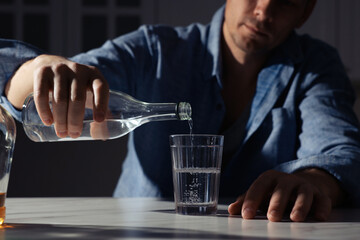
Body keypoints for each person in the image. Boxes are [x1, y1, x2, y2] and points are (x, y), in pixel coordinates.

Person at [1, 0, 360, 222]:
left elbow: (341, 150)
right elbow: (51, 84)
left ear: (307, 10)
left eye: (285, 2)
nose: (264, 10)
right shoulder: (156, 49)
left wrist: (313, 180)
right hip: (141, 233)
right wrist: (36, 69)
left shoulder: (315, 67)